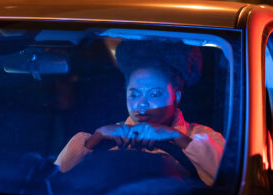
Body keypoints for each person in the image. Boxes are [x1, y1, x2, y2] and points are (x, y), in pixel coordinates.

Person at [55, 40, 225, 185]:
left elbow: (229, 180)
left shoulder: (203, 137)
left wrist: (174, 136)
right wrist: (95, 139)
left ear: (176, 96)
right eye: (134, 94)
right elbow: (54, 182)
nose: (142, 103)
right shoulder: (104, 138)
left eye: (154, 94)